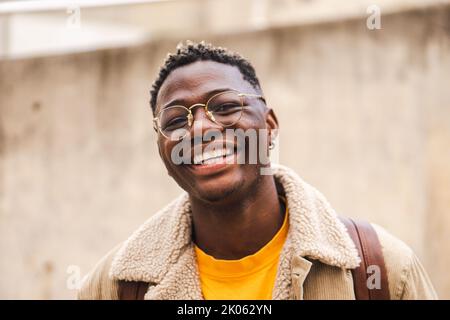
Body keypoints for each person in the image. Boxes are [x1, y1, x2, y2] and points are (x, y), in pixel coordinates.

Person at [78, 41, 437, 300]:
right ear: (162, 150)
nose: (201, 129)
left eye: (225, 106)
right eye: (176, 120)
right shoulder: (112, 288)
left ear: (270, 125)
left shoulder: (379, 269)